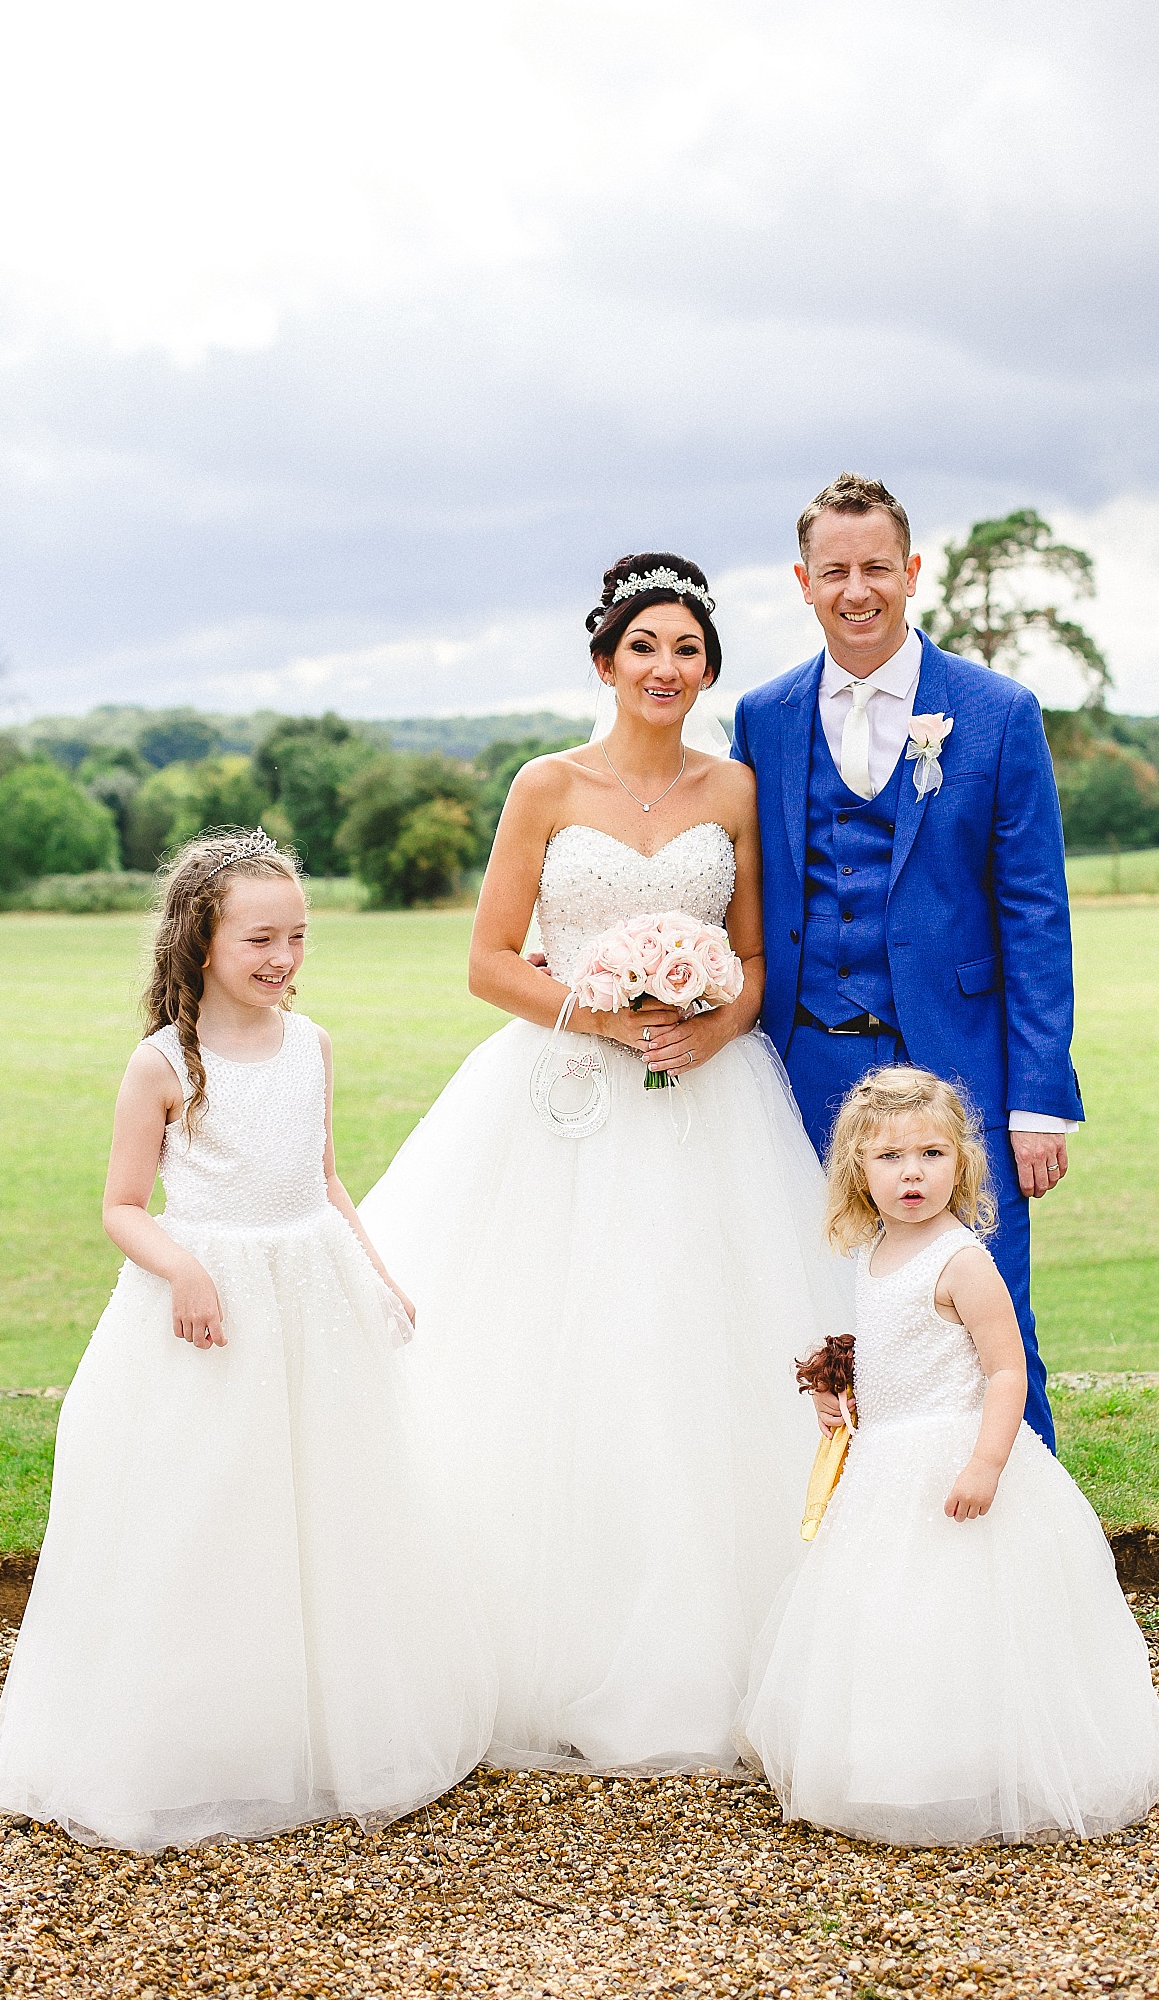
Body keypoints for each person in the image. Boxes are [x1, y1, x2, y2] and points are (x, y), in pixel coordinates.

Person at [360, 553, 852, 1775]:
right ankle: (537, 1642)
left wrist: (705, 1020)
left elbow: (753, 961)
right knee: (556, 1350)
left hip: (706, 1101)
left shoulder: (735, 790)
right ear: (604, 662)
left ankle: (723, 1651)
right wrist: (597, 1009)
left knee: (700, 1349)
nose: (667, 670)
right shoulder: (545, 786)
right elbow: (488, 960)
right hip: (566, 1095)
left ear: (708, 670)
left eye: (688, 651)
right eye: (646, 649)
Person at [0, 830, 495, 1852]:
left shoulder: (311, 1045)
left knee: (328, 1505)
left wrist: (379, 1276)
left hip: (312, 1294)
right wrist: (182, 1268)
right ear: (201, 940)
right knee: (212, 1508)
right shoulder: (164, 1063)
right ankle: (199, 1736)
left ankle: (320, 1723)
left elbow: (324, 1177)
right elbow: (124, 1206)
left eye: (298, 937)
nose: (284, 959)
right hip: (212, 1310)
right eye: (262, 938)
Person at [732, 473, 1082, 1448]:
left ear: (911, 571)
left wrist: (1039, 1103)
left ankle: (1024, 1575)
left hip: (960, 1074)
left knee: (988, 1330)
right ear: (803, 581)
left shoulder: (997, 711)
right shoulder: (763, 716)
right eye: (834, 570)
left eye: (876, 567)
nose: (857, 589)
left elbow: (1036, 918)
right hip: (804, 1075)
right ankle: (846, 1568)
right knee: (825, 1333)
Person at [739, 1066, 1159, 1845]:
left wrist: (986, 1464)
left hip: (955, 1461)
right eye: (891, 1158)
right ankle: (906, 1765)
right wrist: (841, 1391)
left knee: (966, 1615)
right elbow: (894, 1352)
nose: (913, 1172)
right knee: (894, 1618)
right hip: (888, 1470)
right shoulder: (877, 1254)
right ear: (857, 1173)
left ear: (963, 1165)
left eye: (933, 1154)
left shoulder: (961, 1260)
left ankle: (983, 1763)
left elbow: (1005, 1370)